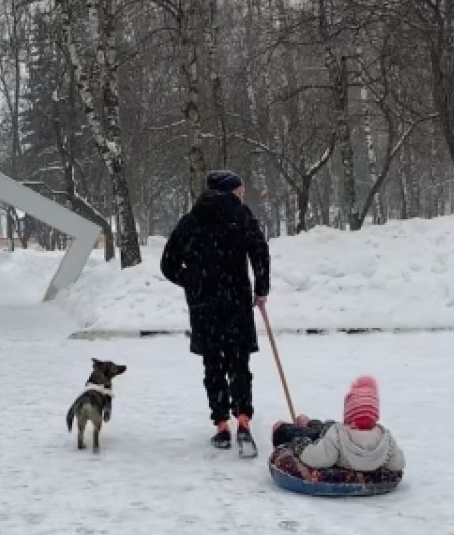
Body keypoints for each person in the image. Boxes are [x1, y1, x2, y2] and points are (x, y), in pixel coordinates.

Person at [160, 170, 270, 453]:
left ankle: (221, 426)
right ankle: (244, 420)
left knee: (213, 365)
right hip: (236, 301)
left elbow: (168, 263)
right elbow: (260, 251)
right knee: (239, 363)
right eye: (240, 189)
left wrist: (193, 282)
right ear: (230, 191)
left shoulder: (191, 220)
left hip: (204, 306)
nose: (242, 193)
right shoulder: (242, 216)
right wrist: (261, 289)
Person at [271, 376, 405, 474]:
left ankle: (283, 428)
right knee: (329, 427)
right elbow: (398, 463)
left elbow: (317, 458)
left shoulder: (338, 436)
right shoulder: (385, 438)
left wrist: (301, 445)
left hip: (326, 438)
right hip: (335, 432)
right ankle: (309, 422)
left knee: (314, 434)